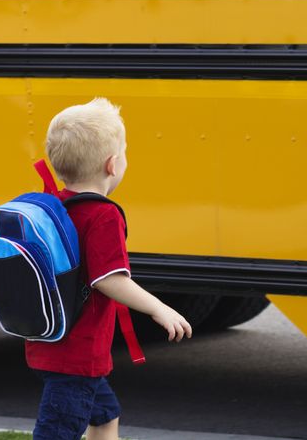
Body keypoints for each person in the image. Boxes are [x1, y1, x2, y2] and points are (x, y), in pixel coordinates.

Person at [27, 97, 192, 440]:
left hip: (52, 343)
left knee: (105, 416)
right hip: (78, 352)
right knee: (57, 432)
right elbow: (110, 280)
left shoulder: (56, 206)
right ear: (112, 164)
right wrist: (158, 308)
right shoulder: (103, 215)